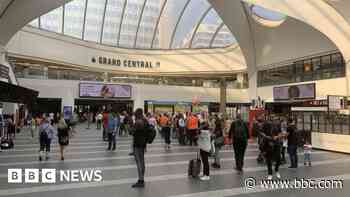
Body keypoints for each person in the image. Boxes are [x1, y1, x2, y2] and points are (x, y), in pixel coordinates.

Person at [131, 108, 148, 188]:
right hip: (143, 143)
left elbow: (131, 132)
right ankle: (142, 178)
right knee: (142, 161)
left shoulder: (138, 122)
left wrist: (131, 126)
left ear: (137, 114)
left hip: (137, 144)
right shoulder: (145, 120)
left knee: (138, 162)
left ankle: (141, 180)